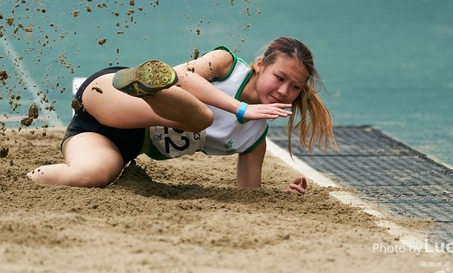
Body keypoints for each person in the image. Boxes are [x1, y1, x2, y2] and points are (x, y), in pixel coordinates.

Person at [28, 37, 335, 193]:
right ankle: (144, 84)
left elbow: (248, 195)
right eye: (279, 78)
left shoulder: (254, 138)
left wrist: (283, 196)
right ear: (259, 64)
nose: (284, 91)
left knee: (91, 175)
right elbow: (181, 75)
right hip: (114, 96)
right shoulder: (226, 63)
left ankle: (27, 180)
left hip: (106, 136)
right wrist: (241, 107)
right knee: (202, 117)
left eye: (294, 87)